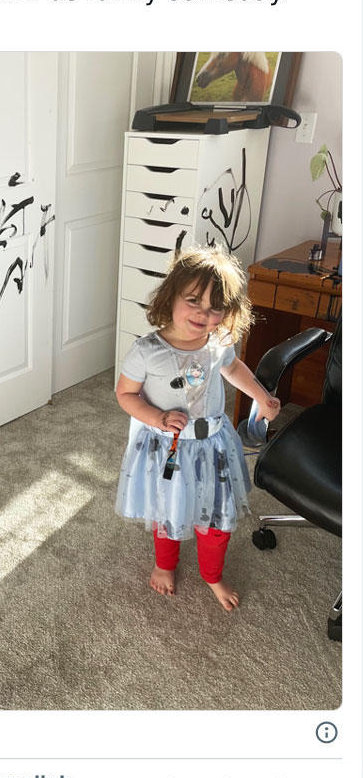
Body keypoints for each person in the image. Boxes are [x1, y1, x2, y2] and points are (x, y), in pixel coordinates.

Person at [115, 245, 280, 612]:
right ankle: (164, 564)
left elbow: (233, 368)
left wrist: (262, 396)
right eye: (193, 300)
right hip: (168, 447)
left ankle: (212, 574)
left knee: (218, 516)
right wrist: (156, 418)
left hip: (214, 445)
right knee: (167, 509)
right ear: (170, 295)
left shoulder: (219, 341)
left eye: (215, 307)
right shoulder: (146, 351)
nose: (204, 314)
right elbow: (125, 394)